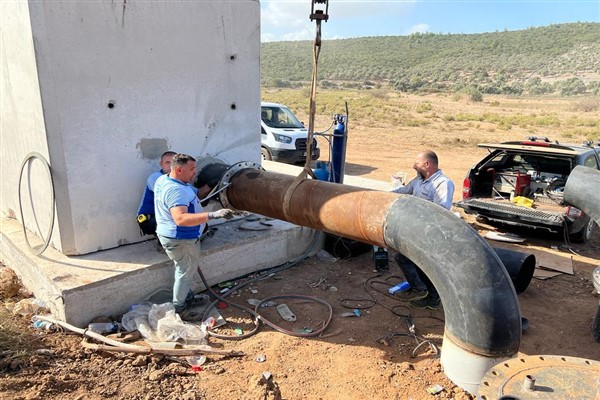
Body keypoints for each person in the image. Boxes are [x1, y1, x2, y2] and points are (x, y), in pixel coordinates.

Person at [154, 153, 234, 319]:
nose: (195, 172)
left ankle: (185, 297)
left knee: (183, 270)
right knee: (185, 272)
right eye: (191, 169)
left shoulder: (165, 180)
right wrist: (212, 215)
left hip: (172, 235)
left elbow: (195, 195)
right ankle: (180, 308)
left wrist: (211, 184)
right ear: (178, 169)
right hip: (181, 239)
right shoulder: (177, 191)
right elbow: (181, 218)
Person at [390, 150, 455, 310]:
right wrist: (382, 196)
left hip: (431, 231)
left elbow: (441, 210)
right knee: (415, 261)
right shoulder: (419, 180)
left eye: (416, 163)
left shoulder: (443, 183)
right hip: (417, 229)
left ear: (427, 164)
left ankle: (423, 292)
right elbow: (403, 192)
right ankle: (426, 295)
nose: (413, 166)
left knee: (413, 260)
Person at [137, 151, 176, 236]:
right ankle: (165, 241)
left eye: (174, 163)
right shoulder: (156, 178)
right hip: (148, 219)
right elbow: (170, 198)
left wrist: (209, 185)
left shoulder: (180, 179)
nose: (171, 166)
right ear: (161, 164)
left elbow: (197, 195)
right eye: (167, 163)